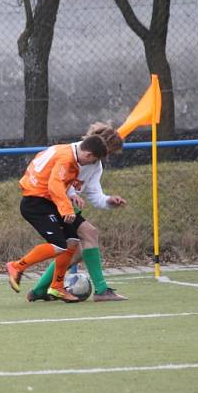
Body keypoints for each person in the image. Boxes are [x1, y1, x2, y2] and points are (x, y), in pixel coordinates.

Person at [26, 123, 128, 303]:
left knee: (77, 251)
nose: (107, 157)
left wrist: (109, 201)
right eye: (108, 152)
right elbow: (57, 180)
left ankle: (39, 290)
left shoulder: (95, 165)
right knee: (89, 234)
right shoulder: (74, 156)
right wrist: (71, 195)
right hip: (52, 203)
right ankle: (102, 291)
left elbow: (95, 195)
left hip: (67, 206)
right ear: (97, 147)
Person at [6, 135, 108, 302]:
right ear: (88, 155)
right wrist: (66, 208)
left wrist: (71, 195)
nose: (91, 164)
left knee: (73, 241)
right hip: (36, 203)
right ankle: (17, 266)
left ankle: (57, 287)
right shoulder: (66, 159)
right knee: (59, 245)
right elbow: (54, 184)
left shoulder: (65, 150)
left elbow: (41, 159)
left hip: (48, 200)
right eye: (93, 160)